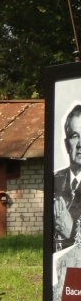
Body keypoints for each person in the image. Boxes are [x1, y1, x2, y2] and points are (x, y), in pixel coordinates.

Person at [53, 104, 81, 250]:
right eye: (75, 136)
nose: (80, 144)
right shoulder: (54, 179)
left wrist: (71, 231)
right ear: (66, 144)